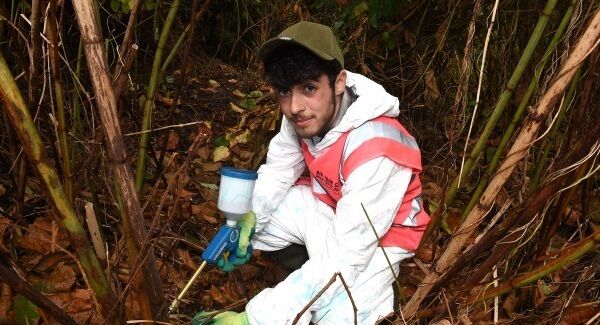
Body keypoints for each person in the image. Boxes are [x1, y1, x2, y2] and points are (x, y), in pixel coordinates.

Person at [196, 21, 429, 325]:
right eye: (284, 91)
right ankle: (308, 271)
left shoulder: (377, 147)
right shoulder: (307, 115)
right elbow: (279, 169)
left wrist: (255, 319)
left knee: (341, 314)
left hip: (379, 241)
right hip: (331, 208)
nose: (294, 107)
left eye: (309, 87)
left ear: (339, 81)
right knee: (257, 220)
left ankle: (376, 293)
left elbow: (346, 253)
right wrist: (247, 221)